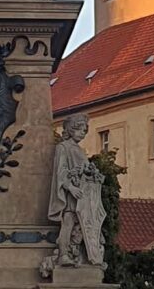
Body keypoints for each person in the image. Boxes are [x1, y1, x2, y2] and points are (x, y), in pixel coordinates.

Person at [47, 113, 106, 269]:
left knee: (81, 225)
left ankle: (81, 253)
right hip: (72, 193)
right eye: (80, 129)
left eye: (84, 131)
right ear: (71, 129)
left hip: (83, 195)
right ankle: (63, 255)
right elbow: (61, 171)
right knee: (68, 222)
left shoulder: (79, 150)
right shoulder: (63, 147)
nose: (83, 133)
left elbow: (84, 171)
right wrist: (70, 187)